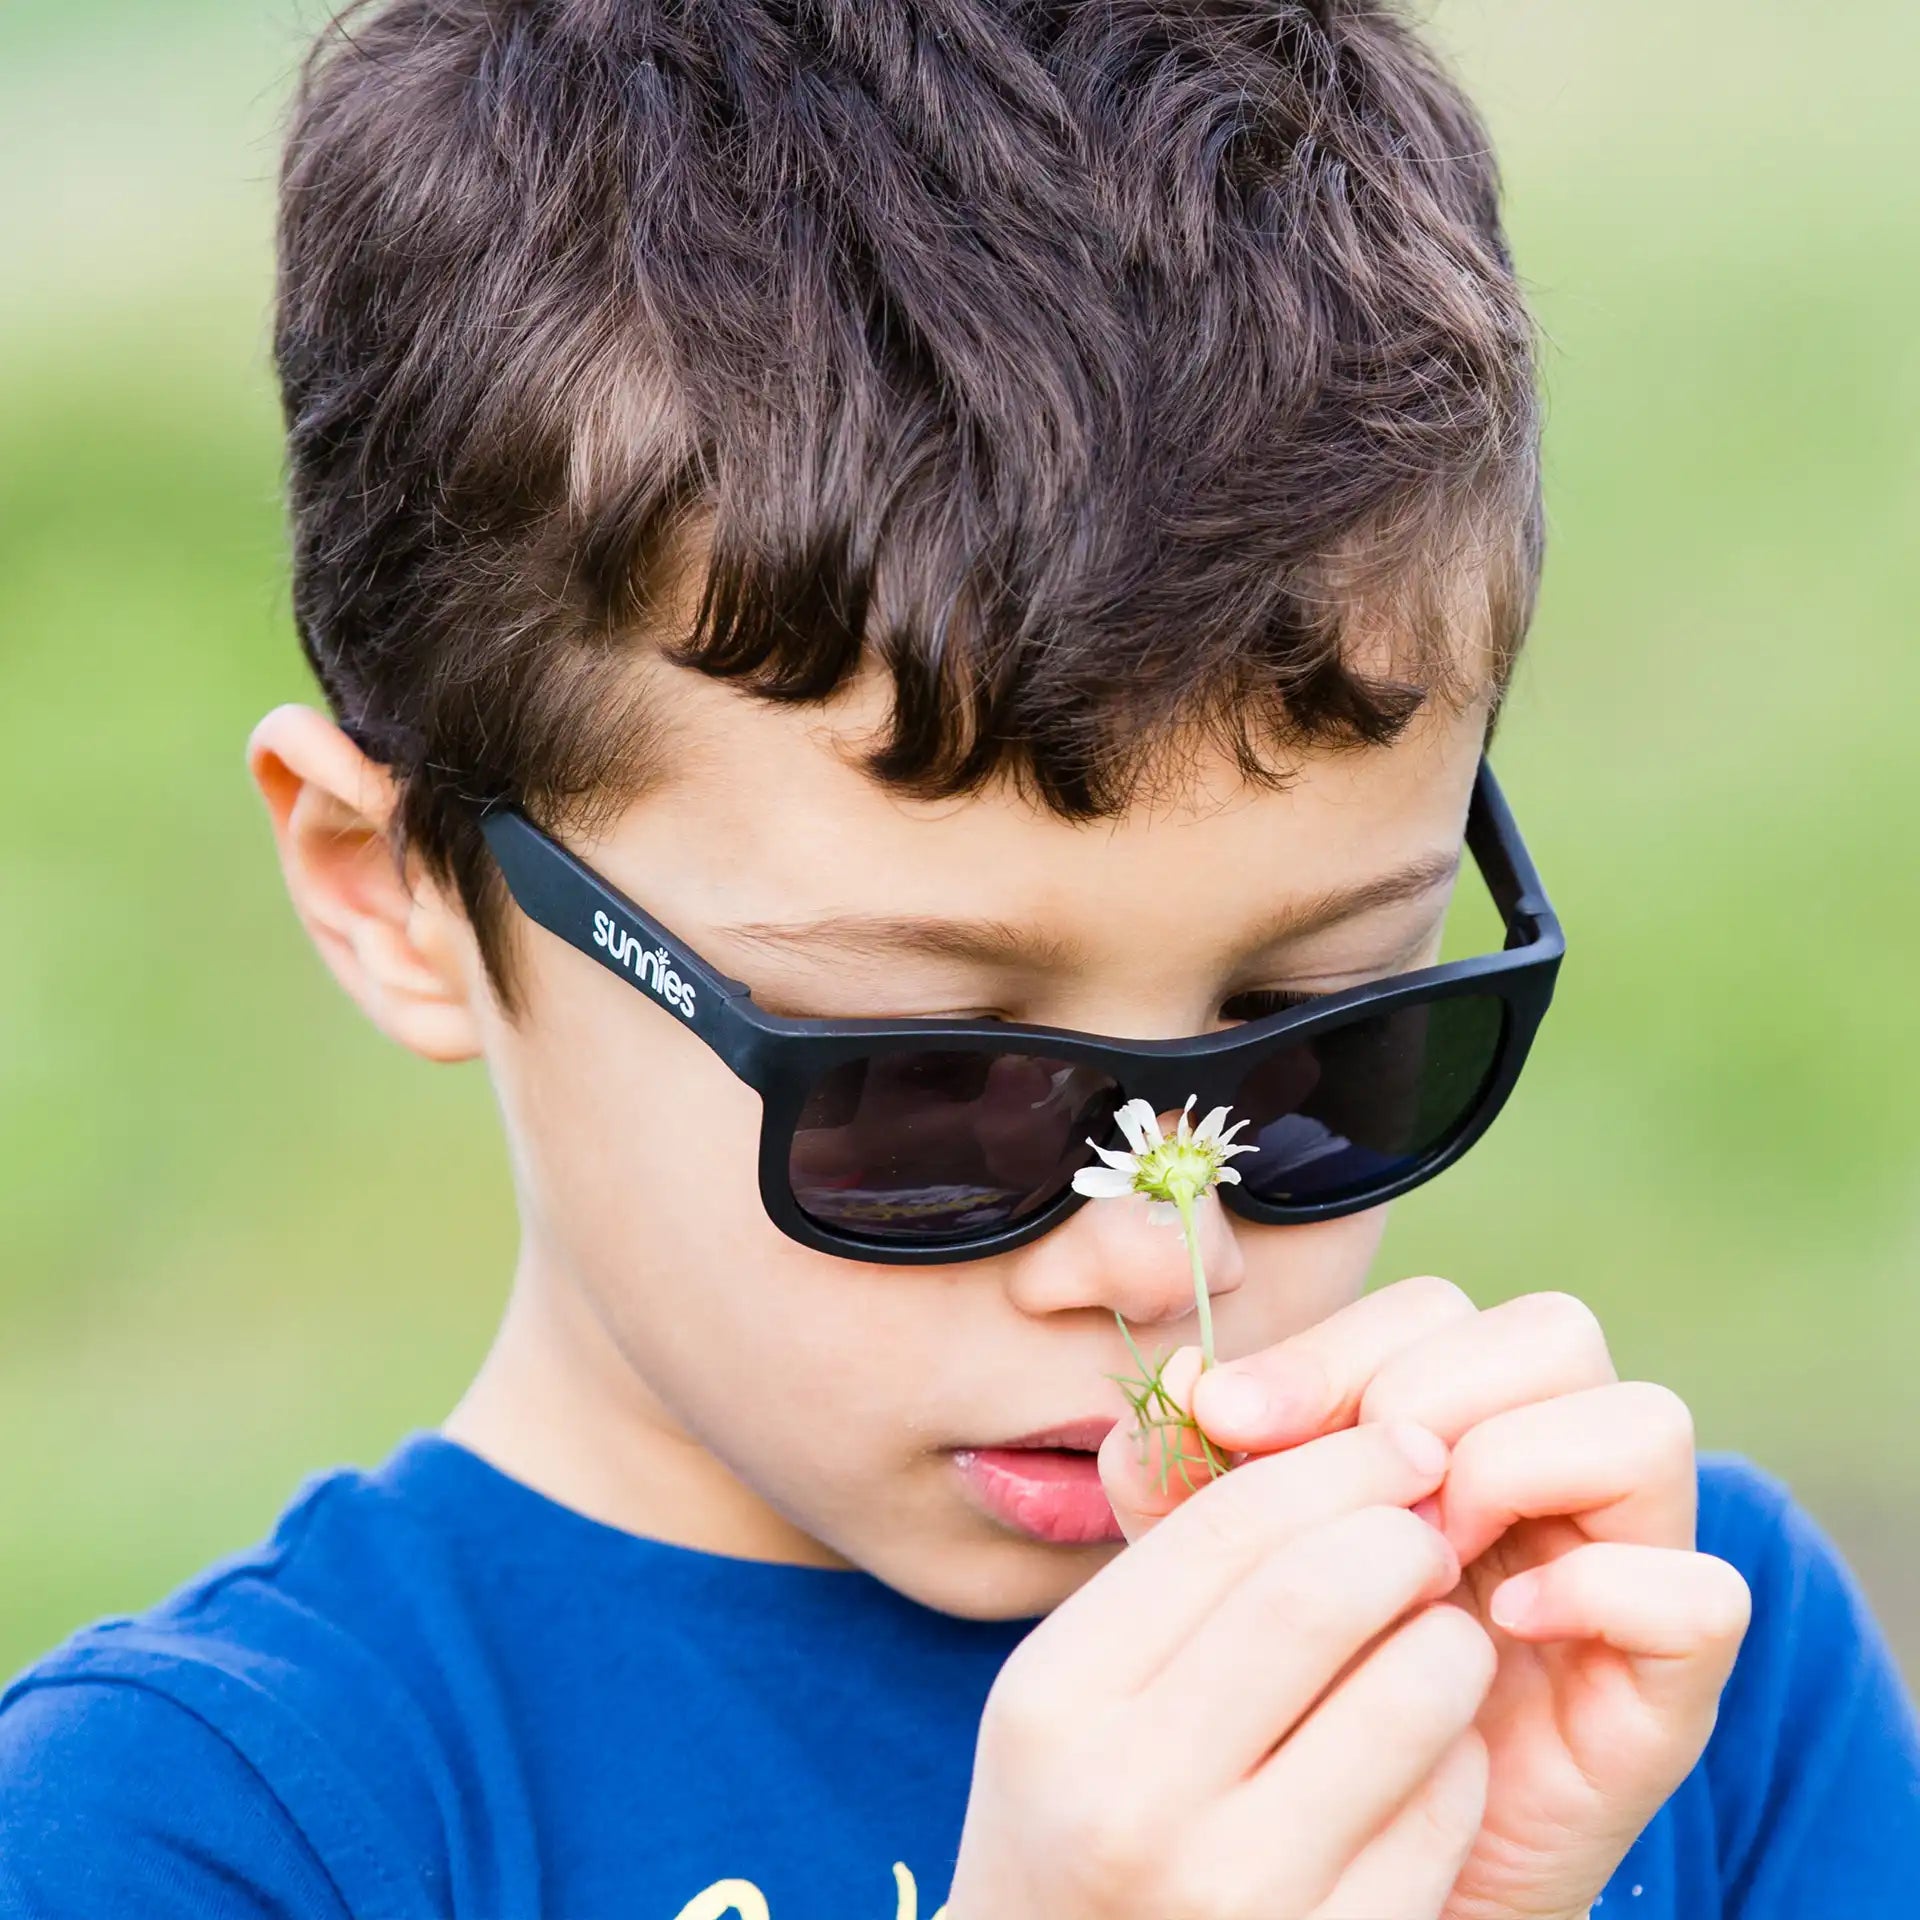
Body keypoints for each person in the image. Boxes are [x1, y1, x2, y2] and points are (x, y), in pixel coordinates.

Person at [3, 2, 1916, 1914]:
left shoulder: (1662, 1679)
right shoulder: (201, 1837)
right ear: (397, 887)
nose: (1154, 1260)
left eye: (1313, 1035)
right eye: (922, 1085)